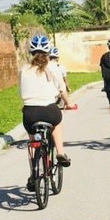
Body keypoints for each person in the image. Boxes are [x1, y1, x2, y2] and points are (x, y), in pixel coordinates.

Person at [20, 35, 72, 190]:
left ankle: (33, 173)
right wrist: (68, 103)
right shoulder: (53, 67)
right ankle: (60, 153)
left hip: (30, 112)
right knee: (58, 123)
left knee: (33, 142)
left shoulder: (23, 69)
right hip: (49, 110)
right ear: (48, 51)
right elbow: (62, 89)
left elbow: (21, 91)